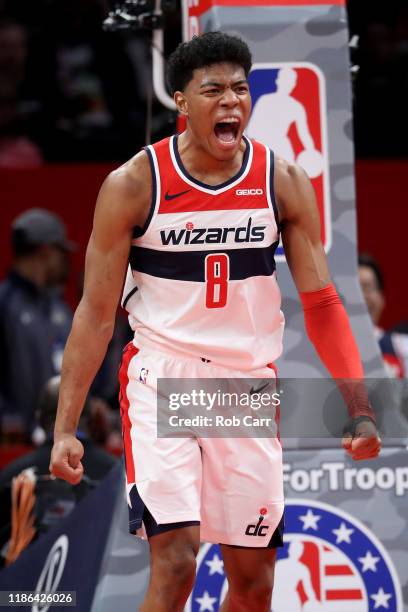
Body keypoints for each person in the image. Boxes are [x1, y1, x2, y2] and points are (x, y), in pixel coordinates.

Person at [50, 32, 381, 612]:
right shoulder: (134, 184)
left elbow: (323, 302)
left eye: (240, 89)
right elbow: (96, 314)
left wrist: (358, 406)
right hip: (164, 377)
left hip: (244, 384)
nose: (231, 102)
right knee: (177, 561)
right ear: (181, 101)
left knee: (254, 587)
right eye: (213, 91)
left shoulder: (282, 182)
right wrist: (65, 427)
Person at [0, 375, 117, 566]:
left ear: (39, 418)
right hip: (98, 587)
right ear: (91, 418)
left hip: (22, 591)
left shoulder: (11, 476)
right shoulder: (117, 474)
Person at [0, 208, 74, 438]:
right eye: (61, 252)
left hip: (59, 438)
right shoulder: (4, 305)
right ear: (46, 252)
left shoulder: (60, 309)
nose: (65, 262)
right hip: (15, 443)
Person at [358, 253, 405, 378]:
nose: (362, 298)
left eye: (368, 288)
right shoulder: (329, 351)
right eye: (356, 290)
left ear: (382, 298)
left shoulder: (400, 347)